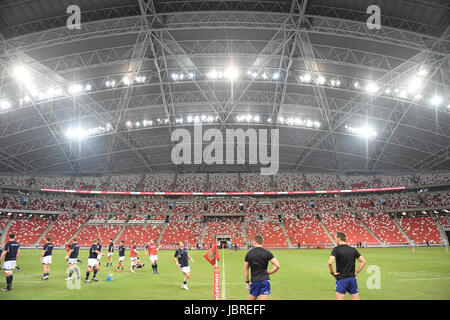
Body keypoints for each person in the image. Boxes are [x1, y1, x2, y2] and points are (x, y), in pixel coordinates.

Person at [328, 232, 366, 300]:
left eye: (335, 238)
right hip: (352, 279)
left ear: (339, 238)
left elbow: (330, 262)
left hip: (341, 279)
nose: (335, 240)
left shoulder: (336, 249)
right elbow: (363, 261)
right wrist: (356, 272)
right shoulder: (353, 249)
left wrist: (332, 273)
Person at [243, 235, 280, 300]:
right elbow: (277, 265)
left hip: (255, 281)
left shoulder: (249, 253)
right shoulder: (267, 252)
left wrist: (247, 281)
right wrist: (270, 272)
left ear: (254, 242)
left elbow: (245, 269)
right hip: (265, 280)